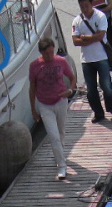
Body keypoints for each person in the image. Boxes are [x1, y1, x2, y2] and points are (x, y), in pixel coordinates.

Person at [29, 36, 76, 180]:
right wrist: (33, 109)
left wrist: (70, 90)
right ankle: (61, 165)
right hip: (44, 104)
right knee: (53, 135)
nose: (49, 56)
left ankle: (59, 153)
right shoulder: (34, 66)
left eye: (51, 52)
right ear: (41, 53)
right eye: (46, 54)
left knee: (60, 131)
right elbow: (32, 88)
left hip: (60, 100)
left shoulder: (61, 61)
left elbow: (72, 77)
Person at [72, 0, 112, 123]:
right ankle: (98, 113)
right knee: (91, 90)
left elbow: (100, 36)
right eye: (82, 7)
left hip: (101, 57)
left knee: (107, 87)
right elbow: (75, 41)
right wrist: (90, 39)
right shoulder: (77, 20)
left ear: (91, 4)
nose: (84, 9)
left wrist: (84, 38)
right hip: (86, 60)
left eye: (86, 6)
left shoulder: (100, 16)